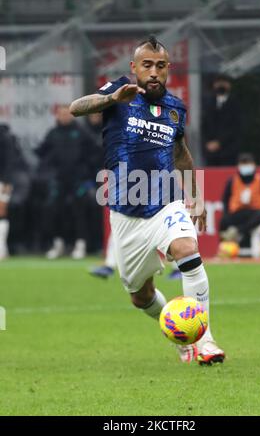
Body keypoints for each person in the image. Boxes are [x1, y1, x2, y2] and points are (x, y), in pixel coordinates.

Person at [70, 35, 225, 365]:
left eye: (160, 66)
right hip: (126, 213)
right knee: (140, 296)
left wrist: (194, 197)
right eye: (147, 65)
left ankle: (205, 340)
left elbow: (180, 152)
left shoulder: (175, 108)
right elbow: (76, 108)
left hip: (165, 202)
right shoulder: (120, 91)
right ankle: (182, 339)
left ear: (168, 69)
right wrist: (111, 98)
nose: (154, 72)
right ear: (134, 68)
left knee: (187, 250)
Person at [36, 105, 98, 260]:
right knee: (55, 210)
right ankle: (58, 244)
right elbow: (42, 153)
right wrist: (50, 169)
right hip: (59, 180)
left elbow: (95, 153)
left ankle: (80, 244)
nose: (64, 117)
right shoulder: (53, 133)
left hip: (78, 180)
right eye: (61, 114)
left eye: (67, 114)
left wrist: (86, 173)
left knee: (79, 211)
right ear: (57, 116)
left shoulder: (81, 132)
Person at [220, 153, 260, 249]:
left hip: (255, 213)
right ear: (238, 165)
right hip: (237, 213)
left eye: (248, 163)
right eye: (243, 163)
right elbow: (225, 200)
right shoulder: (232, 181)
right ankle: (224, 248)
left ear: (254, 165)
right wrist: (226, 214)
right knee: (223, 221)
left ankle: (238, 231)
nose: (245, 166)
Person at [202, 74, 242, 166]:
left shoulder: (235, 104)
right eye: (218, 82)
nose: (221, 85)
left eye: (224, 82)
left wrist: (219, 142)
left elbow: (236, 127)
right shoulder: (208, 103)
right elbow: (204, 126)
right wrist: (207, 143)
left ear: (229, 85)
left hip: (229, 153)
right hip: (211, 154)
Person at [0, 123, 14, 260]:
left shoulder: (4, 136)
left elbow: (10, 161)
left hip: (2, 181)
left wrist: (7, 180)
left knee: (1, 211)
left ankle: (2, 248)